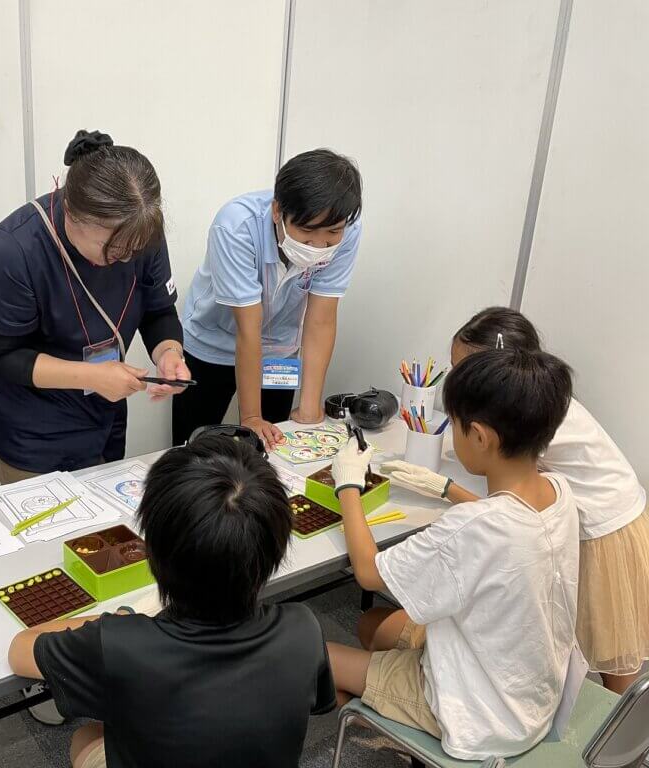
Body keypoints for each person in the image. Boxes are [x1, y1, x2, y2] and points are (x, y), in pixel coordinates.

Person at [7, 434, 336, 768]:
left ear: (153, 554)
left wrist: (119, 617)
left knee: (86, 736)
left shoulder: (118, 643)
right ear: (276, 551)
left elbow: (21, 649)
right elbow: (316, 704)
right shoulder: (303, 626)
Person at [326, 348, 578, 759]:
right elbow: (499, 531)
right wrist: (446, 489)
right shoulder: (560, 493)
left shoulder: (474, 529)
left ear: (479, 436)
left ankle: (386, 740)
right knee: (374, 625)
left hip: (475, 713)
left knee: (311, 658)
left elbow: (369, 574)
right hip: (529, 692)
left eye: (456, 426)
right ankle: (381, 704)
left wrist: (348, 484)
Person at [382, 306, 649, 693]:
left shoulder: (525, 414)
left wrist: (448, 490)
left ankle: (609, 737)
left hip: (607, 526)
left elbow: (509, 508)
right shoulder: (541, 400)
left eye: (466, 368)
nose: (458, 378)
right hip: (601, 510)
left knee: (609, 639)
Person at [0, 130, 190, 483]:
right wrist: (92, 375)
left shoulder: (139, 233)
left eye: (134, 250)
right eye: (113, 249)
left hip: (103, 413)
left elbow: (159, 312)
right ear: (71, 214)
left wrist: (169, 354)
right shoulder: (14, 250)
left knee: (100, 533)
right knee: (47, 534)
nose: (126, 257)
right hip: (33, 430)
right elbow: (2, 357)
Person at [173, 149, 362, 448]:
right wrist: (250, 418)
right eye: (307, 232)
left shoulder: (347, 229)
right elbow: (248, 329)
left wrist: (310, 406)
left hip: (279, 352)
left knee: (273, 445)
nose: (319, 245)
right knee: (195, 448)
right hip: (213, 342)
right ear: (278, 211)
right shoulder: (236, 226)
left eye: (331, 233)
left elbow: (321, 319)